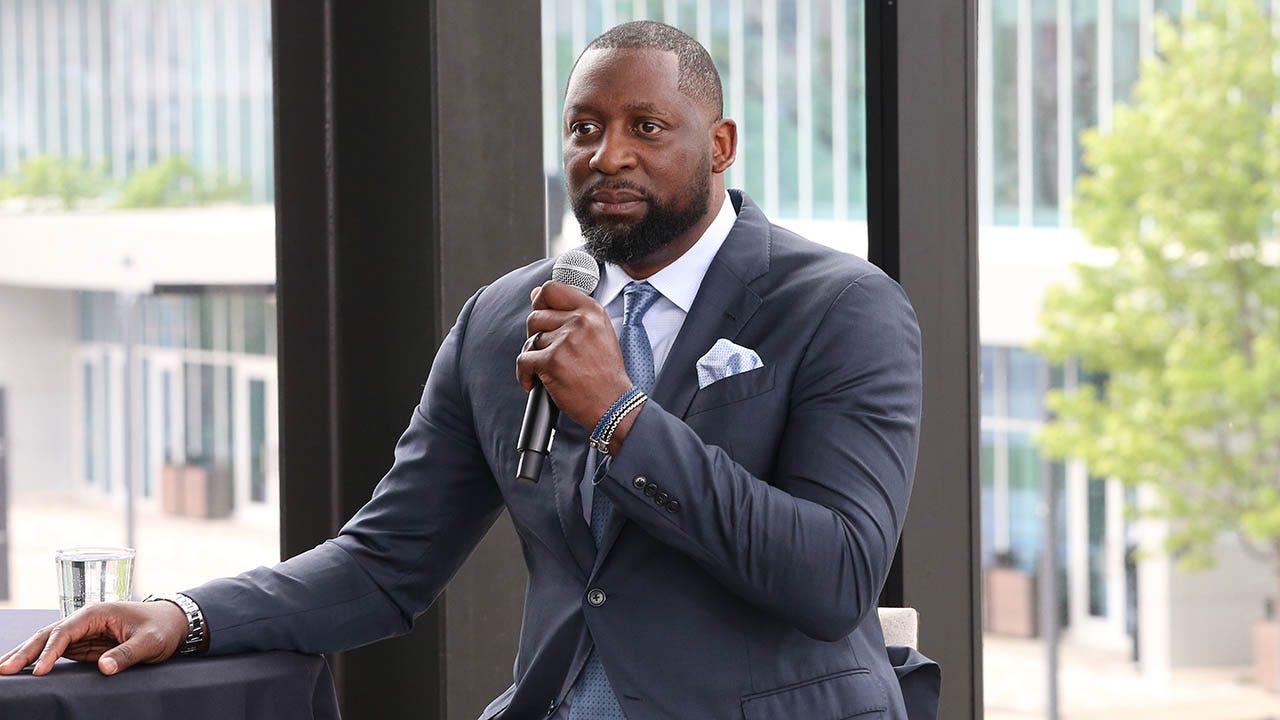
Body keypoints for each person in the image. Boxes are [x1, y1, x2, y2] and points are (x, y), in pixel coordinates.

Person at [0, 21, 925, 719]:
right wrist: (186, 617)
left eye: (647, 126)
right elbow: (384, 564)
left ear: (718, 145)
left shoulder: (841, 307)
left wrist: (621, 416)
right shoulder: (500, 321)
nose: (609, 155)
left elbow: (834, 577)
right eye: (584, 128)